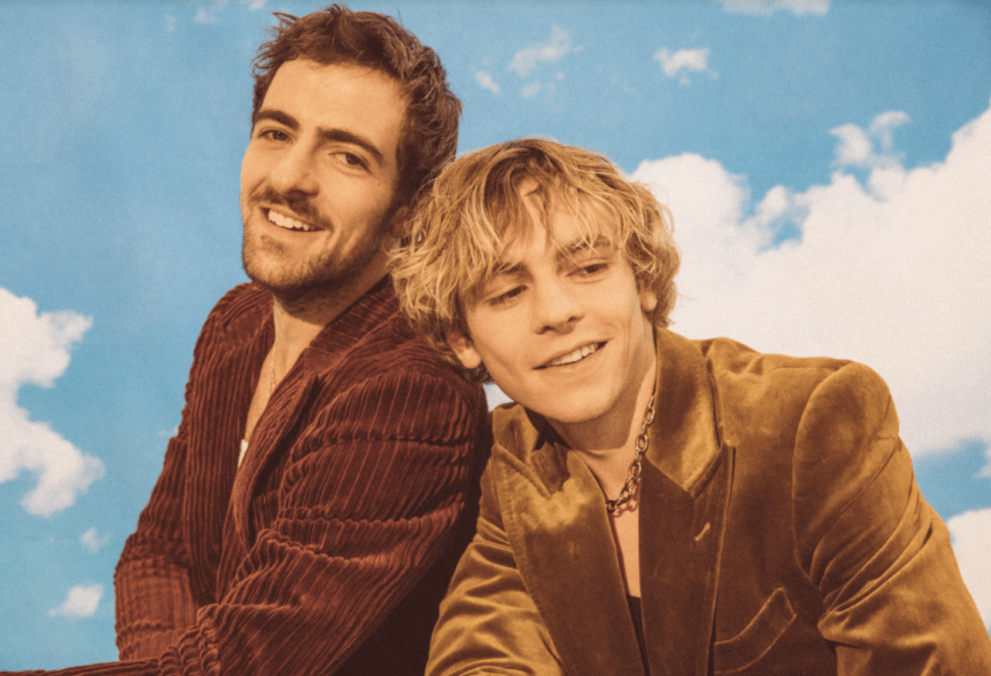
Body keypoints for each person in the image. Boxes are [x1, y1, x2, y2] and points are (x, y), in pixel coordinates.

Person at [0, 6, 489, 676]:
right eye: (276, 133)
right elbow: (160, 551)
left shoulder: (411, 392)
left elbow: (249, 659)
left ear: (409, 210)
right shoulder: (237, 322)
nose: (288, 178)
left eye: (347, 156)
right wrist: (172, 662)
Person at [389, 137, 991, 675]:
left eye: (589, 268)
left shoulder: (814, 419)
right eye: (506, 293)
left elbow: (933, 664)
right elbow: (482, 653)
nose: (556, 311)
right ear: (462, 339)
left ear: (644, 282)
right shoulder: (511, 460)